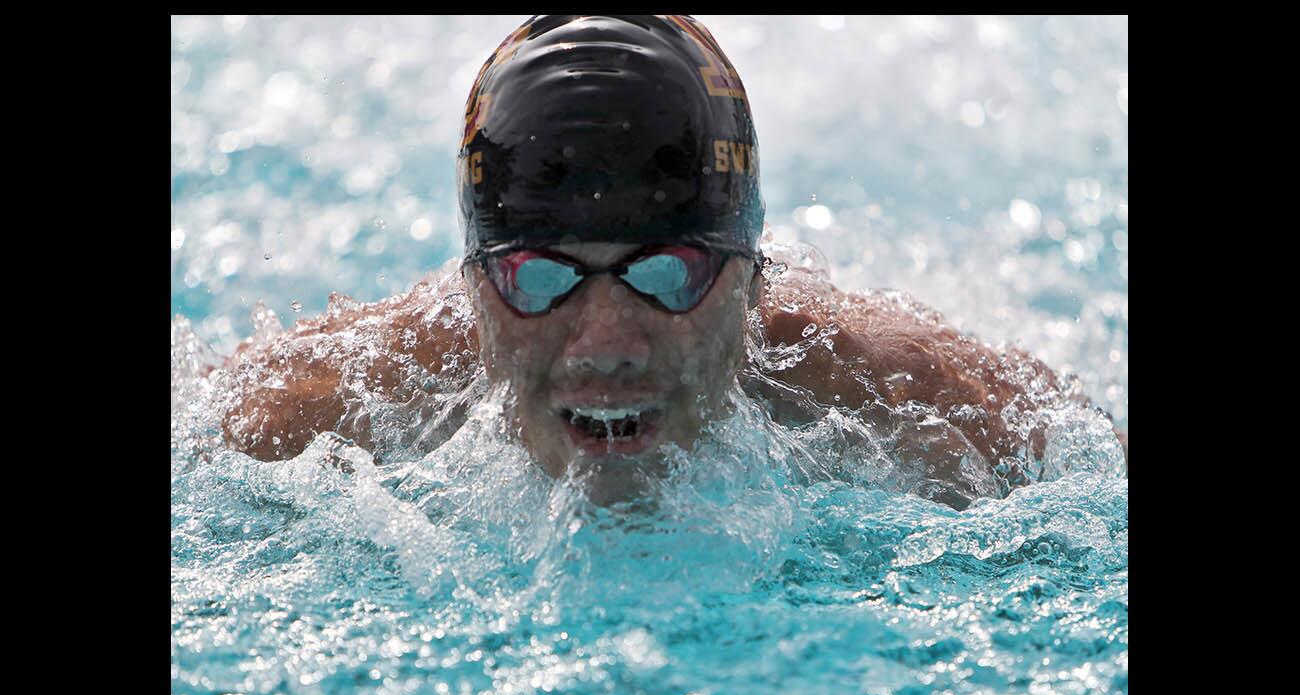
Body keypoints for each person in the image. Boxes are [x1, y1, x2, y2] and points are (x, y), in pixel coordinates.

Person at [219, 14, 1127, 509]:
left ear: (750, 277)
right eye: (542, 277)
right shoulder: (315, 413)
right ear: (475, 290)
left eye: (666, 273)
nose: (606, 342)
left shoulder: (908, 400)